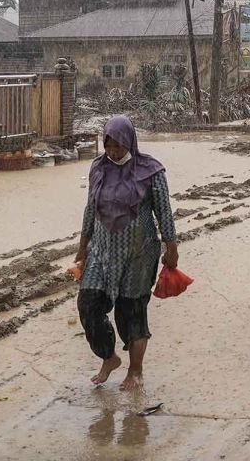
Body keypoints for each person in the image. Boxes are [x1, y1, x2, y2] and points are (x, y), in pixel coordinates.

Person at [74, 115, 177, 390]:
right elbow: (90, 209)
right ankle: (109, 357)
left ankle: (135, 371)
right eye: (108, 146)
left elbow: (164, 212)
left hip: (138, 254)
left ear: (130, 142)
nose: (113, 152)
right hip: (102, 252)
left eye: (118, 146)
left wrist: (171, 248)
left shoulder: (151, 171)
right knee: (88, 304)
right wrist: (82, 248)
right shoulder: (98, 168)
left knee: (130, 312)